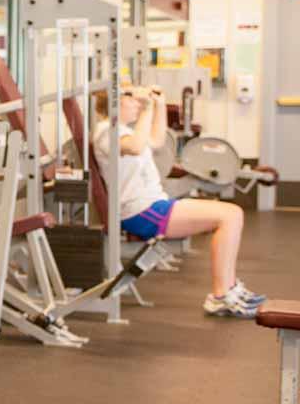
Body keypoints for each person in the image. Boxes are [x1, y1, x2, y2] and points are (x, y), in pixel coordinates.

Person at [93, 82, 264, 319]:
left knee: (232, 214)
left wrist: (158, 104)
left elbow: (155, 140)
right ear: (115, 103)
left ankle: (228, 288)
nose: (135, 103)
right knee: (230, 216)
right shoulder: (106, 131)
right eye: (130, 99)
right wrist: (146, 110)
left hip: (152, 205)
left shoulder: (121, 130)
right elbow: (135, 147)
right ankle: (221, 294)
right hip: (141, 211)